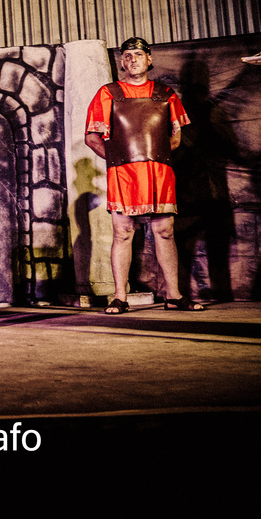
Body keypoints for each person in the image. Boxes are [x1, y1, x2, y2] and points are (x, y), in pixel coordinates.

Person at [85, 37, 202, 314]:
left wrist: (154, 158)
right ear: (122, 62)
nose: (133, 59)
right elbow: (92, 137)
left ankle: (173, 295)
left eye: (138, 54)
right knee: (123, 232)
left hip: (159, 173)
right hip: (123, 175)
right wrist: (118, 161)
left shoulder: (165, 93)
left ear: (149, 59)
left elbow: (176, 137)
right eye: (127, 56)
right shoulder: (109, 93)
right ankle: (119, 297)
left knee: (165, 232)